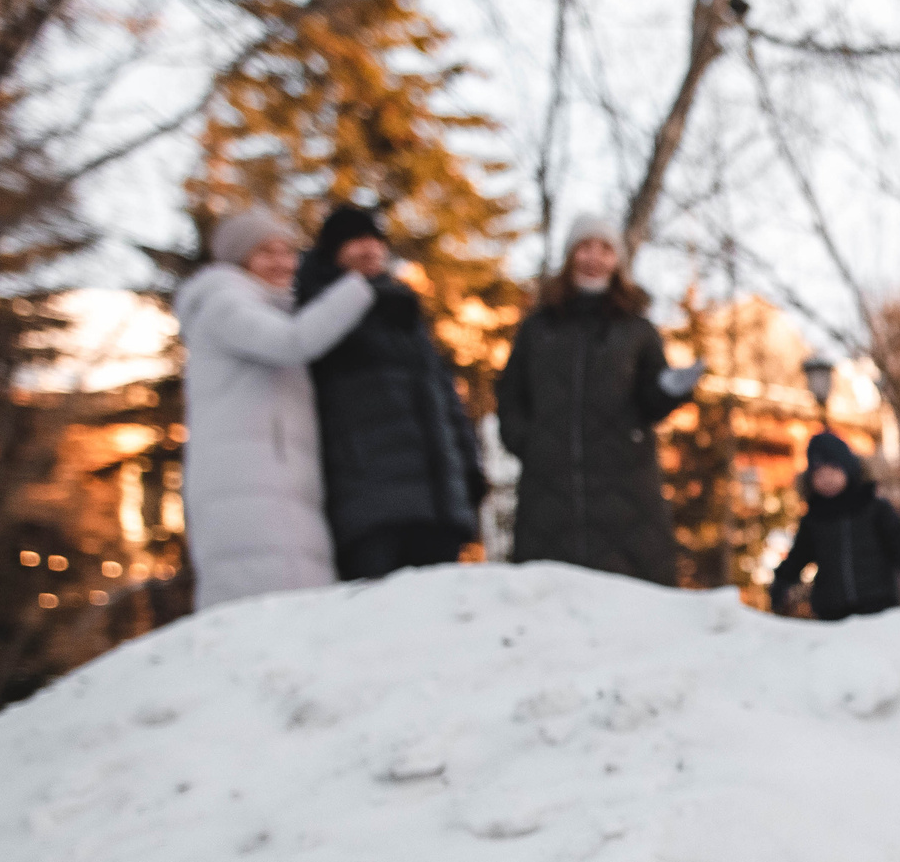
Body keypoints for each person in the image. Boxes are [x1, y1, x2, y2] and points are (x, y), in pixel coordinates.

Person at [173, 208, 378, 607]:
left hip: (275, 478)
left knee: (294, 609)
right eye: (266, 251)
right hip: (243, 481)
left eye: (288, 251)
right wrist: (357, 284)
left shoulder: (263, 306)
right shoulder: (225, 303)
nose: (283, 262)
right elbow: (294, 342)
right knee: (260, 605)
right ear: (238, 259)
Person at [496, 214, 701, 584]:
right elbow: (511, 392)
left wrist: (673, 390)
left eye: (605, 249)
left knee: (627, 602)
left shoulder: (637, 330)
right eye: (585, 246)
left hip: (626, 491)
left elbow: (650, 402)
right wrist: (525, 441)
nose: (594, 257)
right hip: (549, 489)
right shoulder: (538, 328)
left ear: (616, 261)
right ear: (571, 255)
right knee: (550, 599)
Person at [298, 204, 487, 581]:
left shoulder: (404, 311)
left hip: (436, 505)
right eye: (355, 240)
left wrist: (469, 469)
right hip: (367, 507)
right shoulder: (315, 313)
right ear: (333, 251)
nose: (368, 249)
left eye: (374, 240)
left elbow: (444, 400)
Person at [767, 432, 900, 621]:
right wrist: (782, 581)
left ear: (848, 469)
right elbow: (798, 555)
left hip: (878, 604)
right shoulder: (815, 518)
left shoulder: (874, 508)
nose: (826, 479)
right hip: (832, 610)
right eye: (819, 474)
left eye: (833, 471)